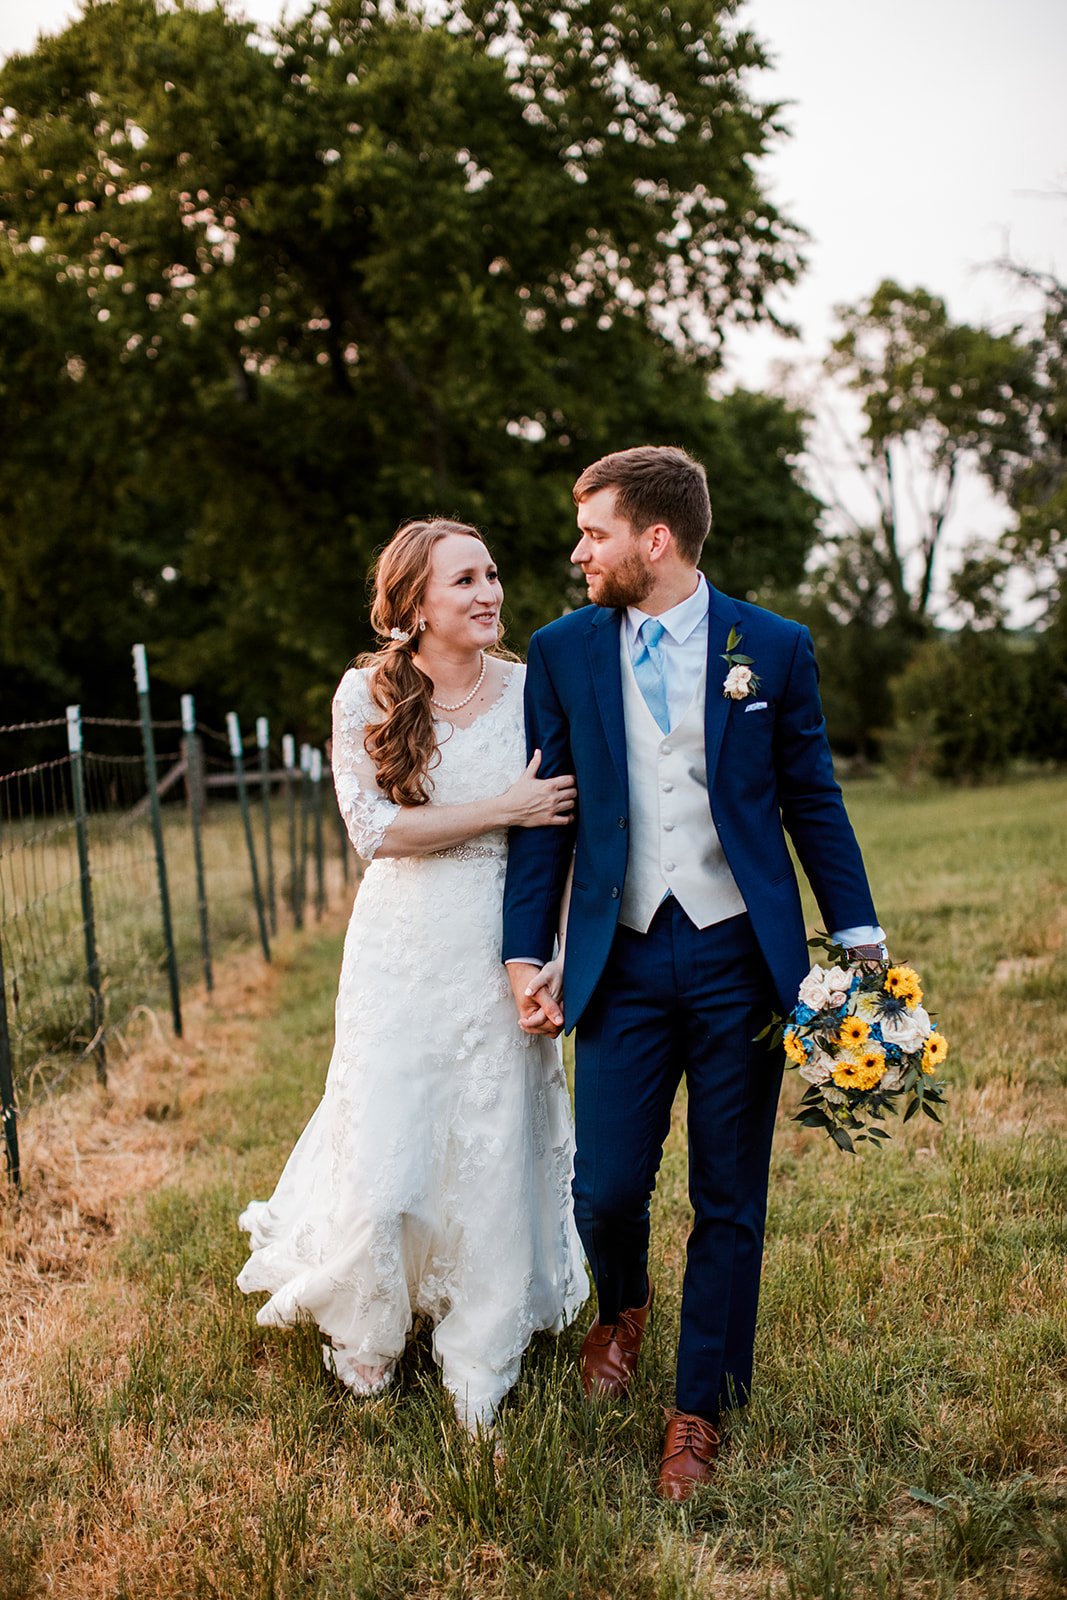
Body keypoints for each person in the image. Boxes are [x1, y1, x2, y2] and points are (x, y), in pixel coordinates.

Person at [503, 447, 885, 1499]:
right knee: (605, 1186)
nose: (578, 551)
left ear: (652, 540)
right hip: (618, 955)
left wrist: (852, 931)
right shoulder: (561, 651)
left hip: (735, 955)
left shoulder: (769, 646)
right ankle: (620, 1304)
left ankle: (696, 1409)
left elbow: (811, 795)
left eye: (593, 532)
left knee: (728, 1194)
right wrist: (524, 951)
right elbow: (548, 819)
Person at [238, 518, 588, 1434]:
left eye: (492, 574)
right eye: (463, 580)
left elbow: (561, 832)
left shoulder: (529, 687)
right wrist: (504, 806)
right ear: (414, 605)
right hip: (401, 939)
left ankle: (480, 1335)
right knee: (393, 1119)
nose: (488, 593)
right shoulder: (366, 693)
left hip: (498, 938)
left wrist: (550, 947)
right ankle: (372, 1321)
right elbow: (374, 832)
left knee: (491, 1123)